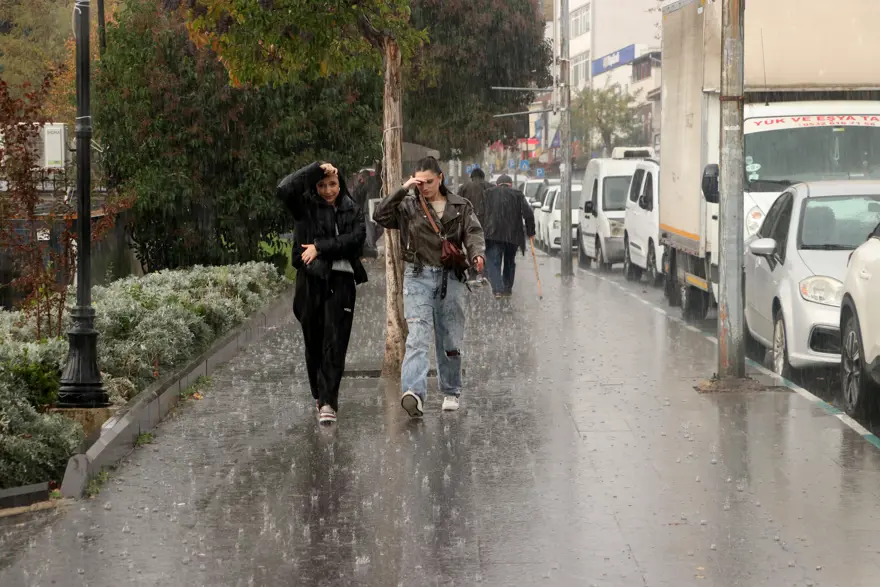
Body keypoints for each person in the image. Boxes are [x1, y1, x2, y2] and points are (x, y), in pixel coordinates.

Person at [374, 156, 486, 418]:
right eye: (419, 182)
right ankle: (413, 392)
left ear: (441, 178)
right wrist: (403, 188)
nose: (424, 186)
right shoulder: (408, 206)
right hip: (418, 275)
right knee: (418, 336)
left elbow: (473, 233)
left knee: (449, 337)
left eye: (429, 181)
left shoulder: (460, 205)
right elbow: (380, 215)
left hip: (452, 278)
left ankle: (450, 390)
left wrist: (477, 254)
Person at [277, 161, 368, 425]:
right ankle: (319, 392)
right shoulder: (305, 208)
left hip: (342, 282)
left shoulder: (352, 209)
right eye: (322, 185)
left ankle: (329, 401)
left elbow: (356, 240)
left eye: (333, 184)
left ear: (341, 185)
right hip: (311, 281)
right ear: (315, 186)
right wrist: (315, 168)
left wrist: (319, 246)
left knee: (335, 342)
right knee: (314, 341)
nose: (328, 191)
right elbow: (284, 189)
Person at [481, 174, 536, 298]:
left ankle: (498, 289)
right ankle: (507, 288)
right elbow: (528, 213)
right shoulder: (517, 194)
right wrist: (530, 231)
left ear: (497, 184)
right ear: (510, 184)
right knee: (509, 261)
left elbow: (480, 213)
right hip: (513, 235)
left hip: (493, 233)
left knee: (493, 262)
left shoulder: (488, 193)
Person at [459, 168, 492, 285]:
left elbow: (457, 205)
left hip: (470, 222)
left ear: (471, 177)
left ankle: (473, 273)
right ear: (483, 177)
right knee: (486, 247)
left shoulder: (464, 187)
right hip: (487, 223)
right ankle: (485, 274)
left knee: (471, 247)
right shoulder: (490, 187)